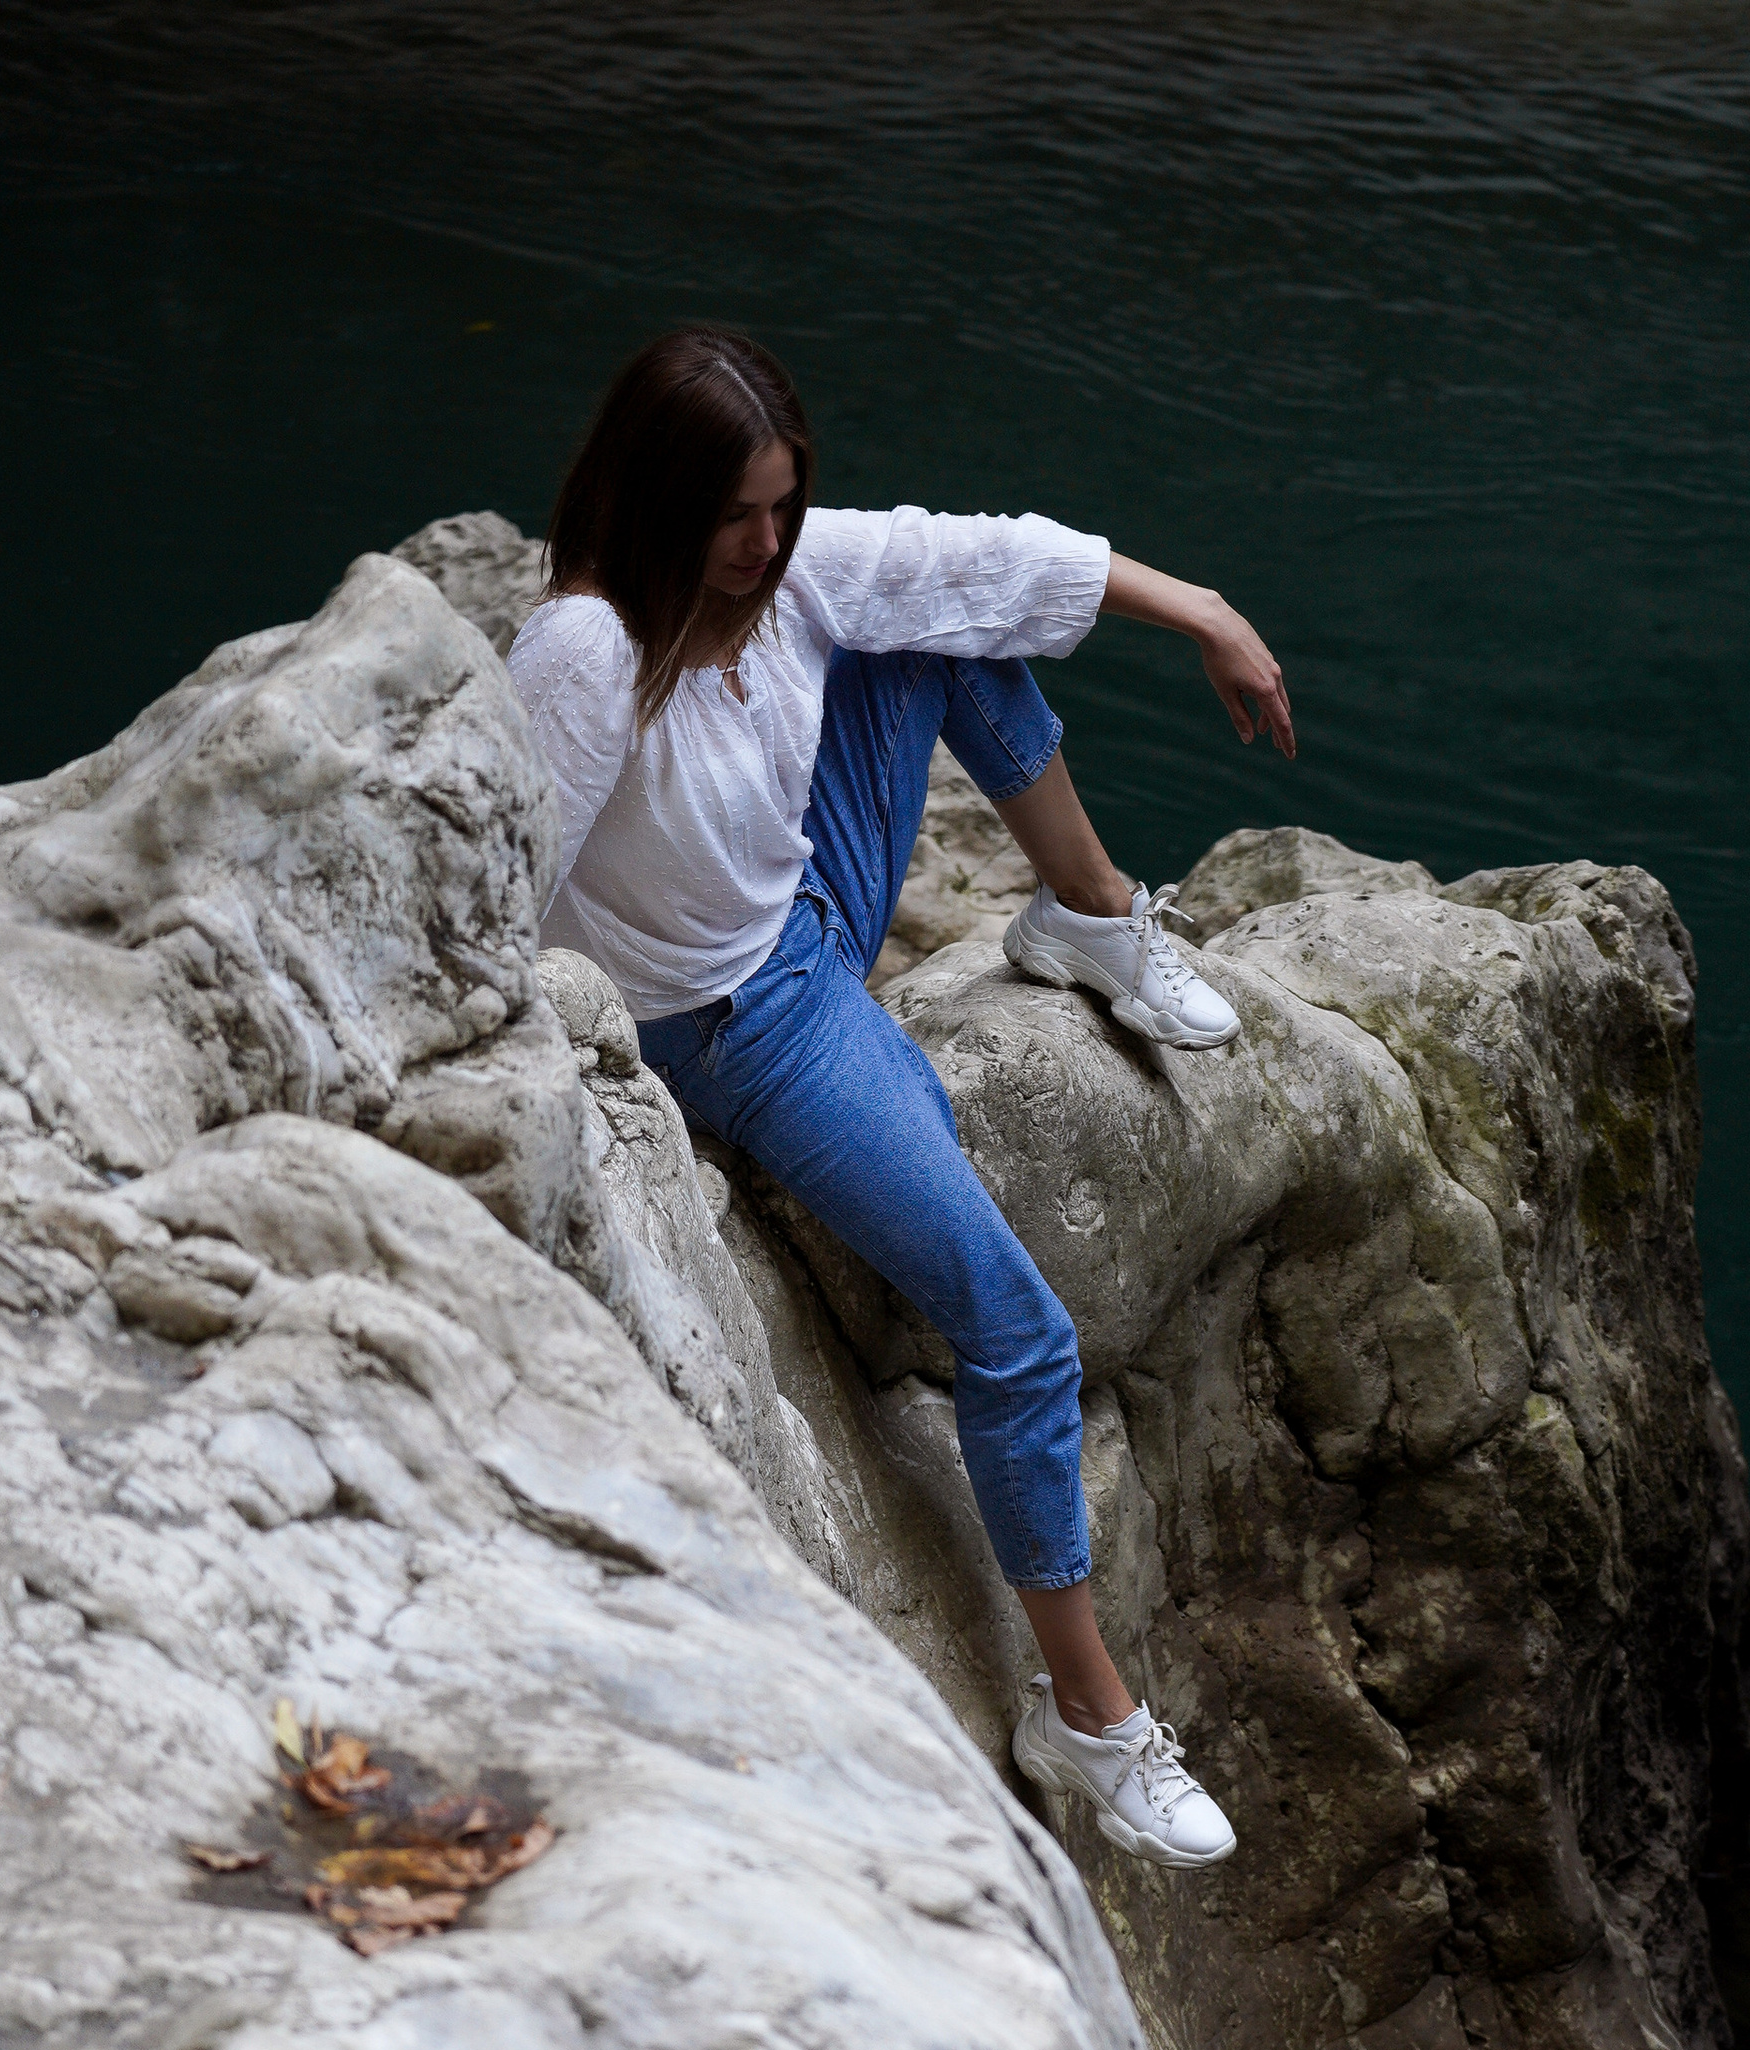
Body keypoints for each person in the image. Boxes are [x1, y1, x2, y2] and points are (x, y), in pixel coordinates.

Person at [507, 326, 1297, 1869]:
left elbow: (979, 555)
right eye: (737, 516)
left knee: (949, 614)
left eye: (788, 507)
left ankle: (1087, 911)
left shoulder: (788, 577)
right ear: (658, 500)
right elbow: (507, 889)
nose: (767, 545)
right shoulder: (587, 653)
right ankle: (1089, 1714)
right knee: (1021, 1331)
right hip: (737, 1025)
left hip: (808, 908)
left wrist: (1203, 610)